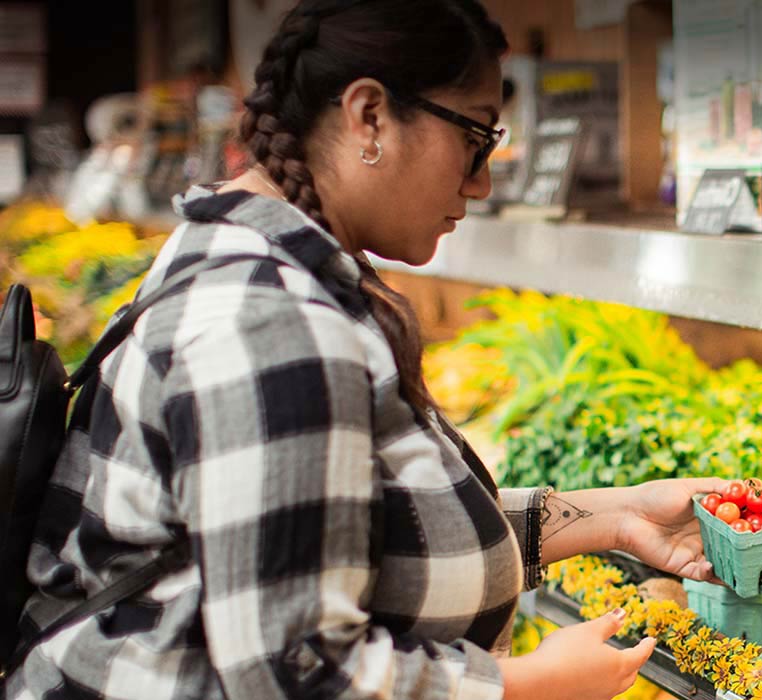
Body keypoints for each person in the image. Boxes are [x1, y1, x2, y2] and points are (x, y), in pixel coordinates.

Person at [3, 2, 724, 699]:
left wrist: (622, 517)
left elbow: (352, 528)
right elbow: (294, 674)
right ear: (369, 115)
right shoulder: (270, 322)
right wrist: (528, 685)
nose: (482, 181)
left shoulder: (249, 257)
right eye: (475, 138)